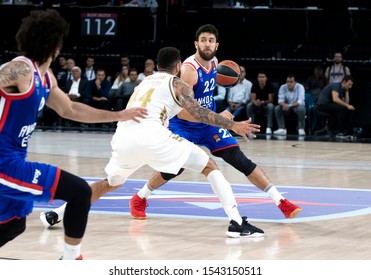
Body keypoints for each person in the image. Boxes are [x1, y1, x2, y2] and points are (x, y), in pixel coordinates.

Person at [41, 46, 265, 238]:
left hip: (124, 136)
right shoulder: (178, 84)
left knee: (110, 182)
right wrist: (231, 125)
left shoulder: (145, 82)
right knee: (208, 165)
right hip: (152, 134)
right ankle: (236, 223)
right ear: (178, 66)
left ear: (157, 65)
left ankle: (56, 214)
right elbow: (197, 112)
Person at [0, 9, 147, 260]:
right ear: (56, 45)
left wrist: (119, 115)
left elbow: (69, 108)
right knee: (79, 192)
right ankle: (71, 261)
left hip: (14, 162)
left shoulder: (44, 77)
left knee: (15, 223)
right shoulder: (18, 71)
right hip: (5, 164)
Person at [128, 25, 301, 225]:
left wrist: (217, 116)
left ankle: (281, 202)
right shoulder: (188, 71)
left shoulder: (216, 63)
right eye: (203, 40)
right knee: (175, 168)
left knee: (240, 160)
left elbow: (205, 97)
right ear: (196, 44)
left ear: (216, 45)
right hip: (183, 124)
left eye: (211, 40)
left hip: (208, 123)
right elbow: (185, 110)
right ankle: (140, 197)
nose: (207, 44)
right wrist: (222, 119)